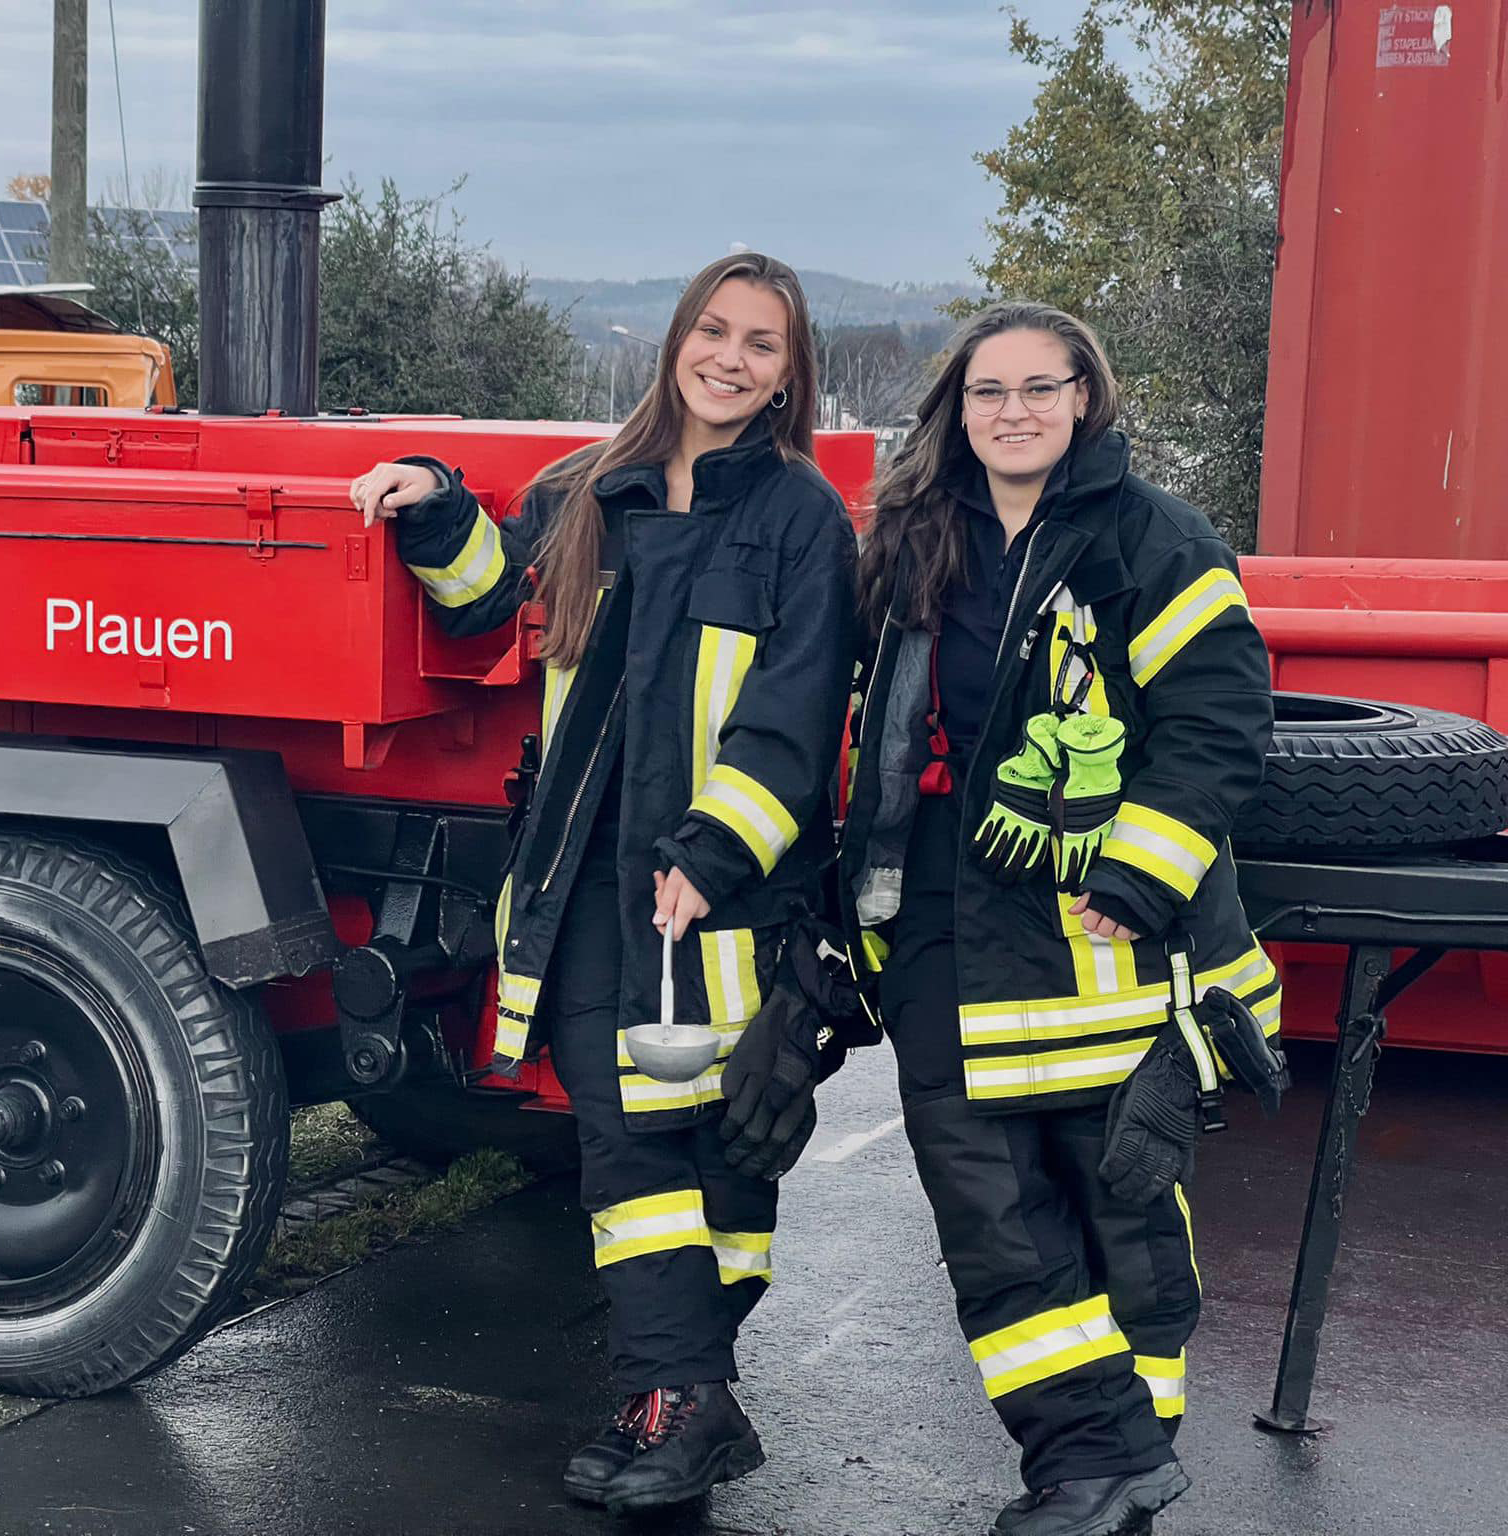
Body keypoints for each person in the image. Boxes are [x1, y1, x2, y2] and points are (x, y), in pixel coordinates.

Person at [350, 252, 857, 1513]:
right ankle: (674, 1403)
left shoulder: (799, 519)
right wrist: (430, 504)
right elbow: (480, 600)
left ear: (790, 376)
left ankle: (684, 1393)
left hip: (721, 891)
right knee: (622, 1145)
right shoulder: (593, 487)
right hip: (583, 888)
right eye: (714, 331)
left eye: (761, 345)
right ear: (676, 338)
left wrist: (711, 851)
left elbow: (792, 717)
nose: (729, 360)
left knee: (724, 1153)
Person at [836, 301, 1278, 1536]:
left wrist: (1135, 879)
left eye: (1040, 388)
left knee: (1117, 1203)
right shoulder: (917, 537)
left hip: (1098, 932)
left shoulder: (1154, 539)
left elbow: (1216, 725)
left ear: (1084, 396)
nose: (1013, 412)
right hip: (939, 919)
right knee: (986, 1212)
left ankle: (1131, 1457)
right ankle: (1089, 1460)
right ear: (956, 409)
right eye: (988, 392)